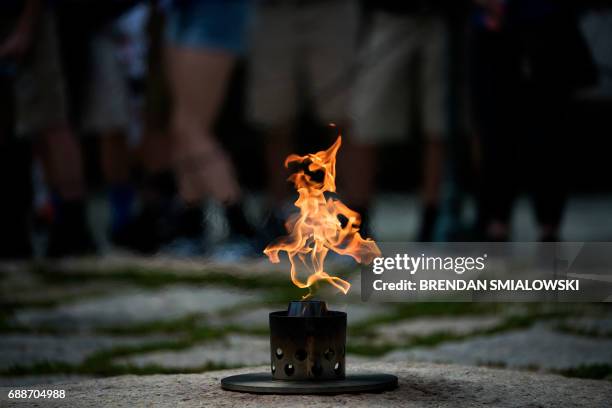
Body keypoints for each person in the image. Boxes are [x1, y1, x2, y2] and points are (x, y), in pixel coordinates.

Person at [469, 0, 597, 241]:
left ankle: (549, 223)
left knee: (550, 132)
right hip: (493, 32)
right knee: (495, 131)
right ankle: (496, 220)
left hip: (547, 27)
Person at [248, 0, 360, 238]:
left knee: (342, 117)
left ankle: (353, 215)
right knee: (273, 118)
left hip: (333, 10)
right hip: (273, 11)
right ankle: (275, 214)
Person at [1, 0, 95, 257]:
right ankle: (16, 228)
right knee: (17, 130)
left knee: (49, 122)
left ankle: (74, 225)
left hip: (25, 23)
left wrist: (26, 28)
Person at [349, 1, 450, 241]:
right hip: (390, 14)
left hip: (444, 18)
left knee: (439, 122)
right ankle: (356, 219)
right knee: (365, 116)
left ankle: (432, 219)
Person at [164, 0, 256, 254]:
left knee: (192, 129)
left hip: (215, 12)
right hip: (180, 11)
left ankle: (240, 226)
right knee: (181, 125)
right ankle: (191, 224)